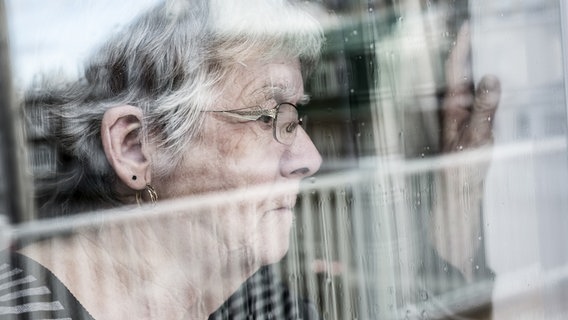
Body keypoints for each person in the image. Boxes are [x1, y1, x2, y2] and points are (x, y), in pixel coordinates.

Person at [0, 0, 500, 319]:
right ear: (135, 147)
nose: (310, 157)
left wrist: (458, 192)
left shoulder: (251, 299)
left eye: (297, 116)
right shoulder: (21, 309)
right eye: (268, 116)